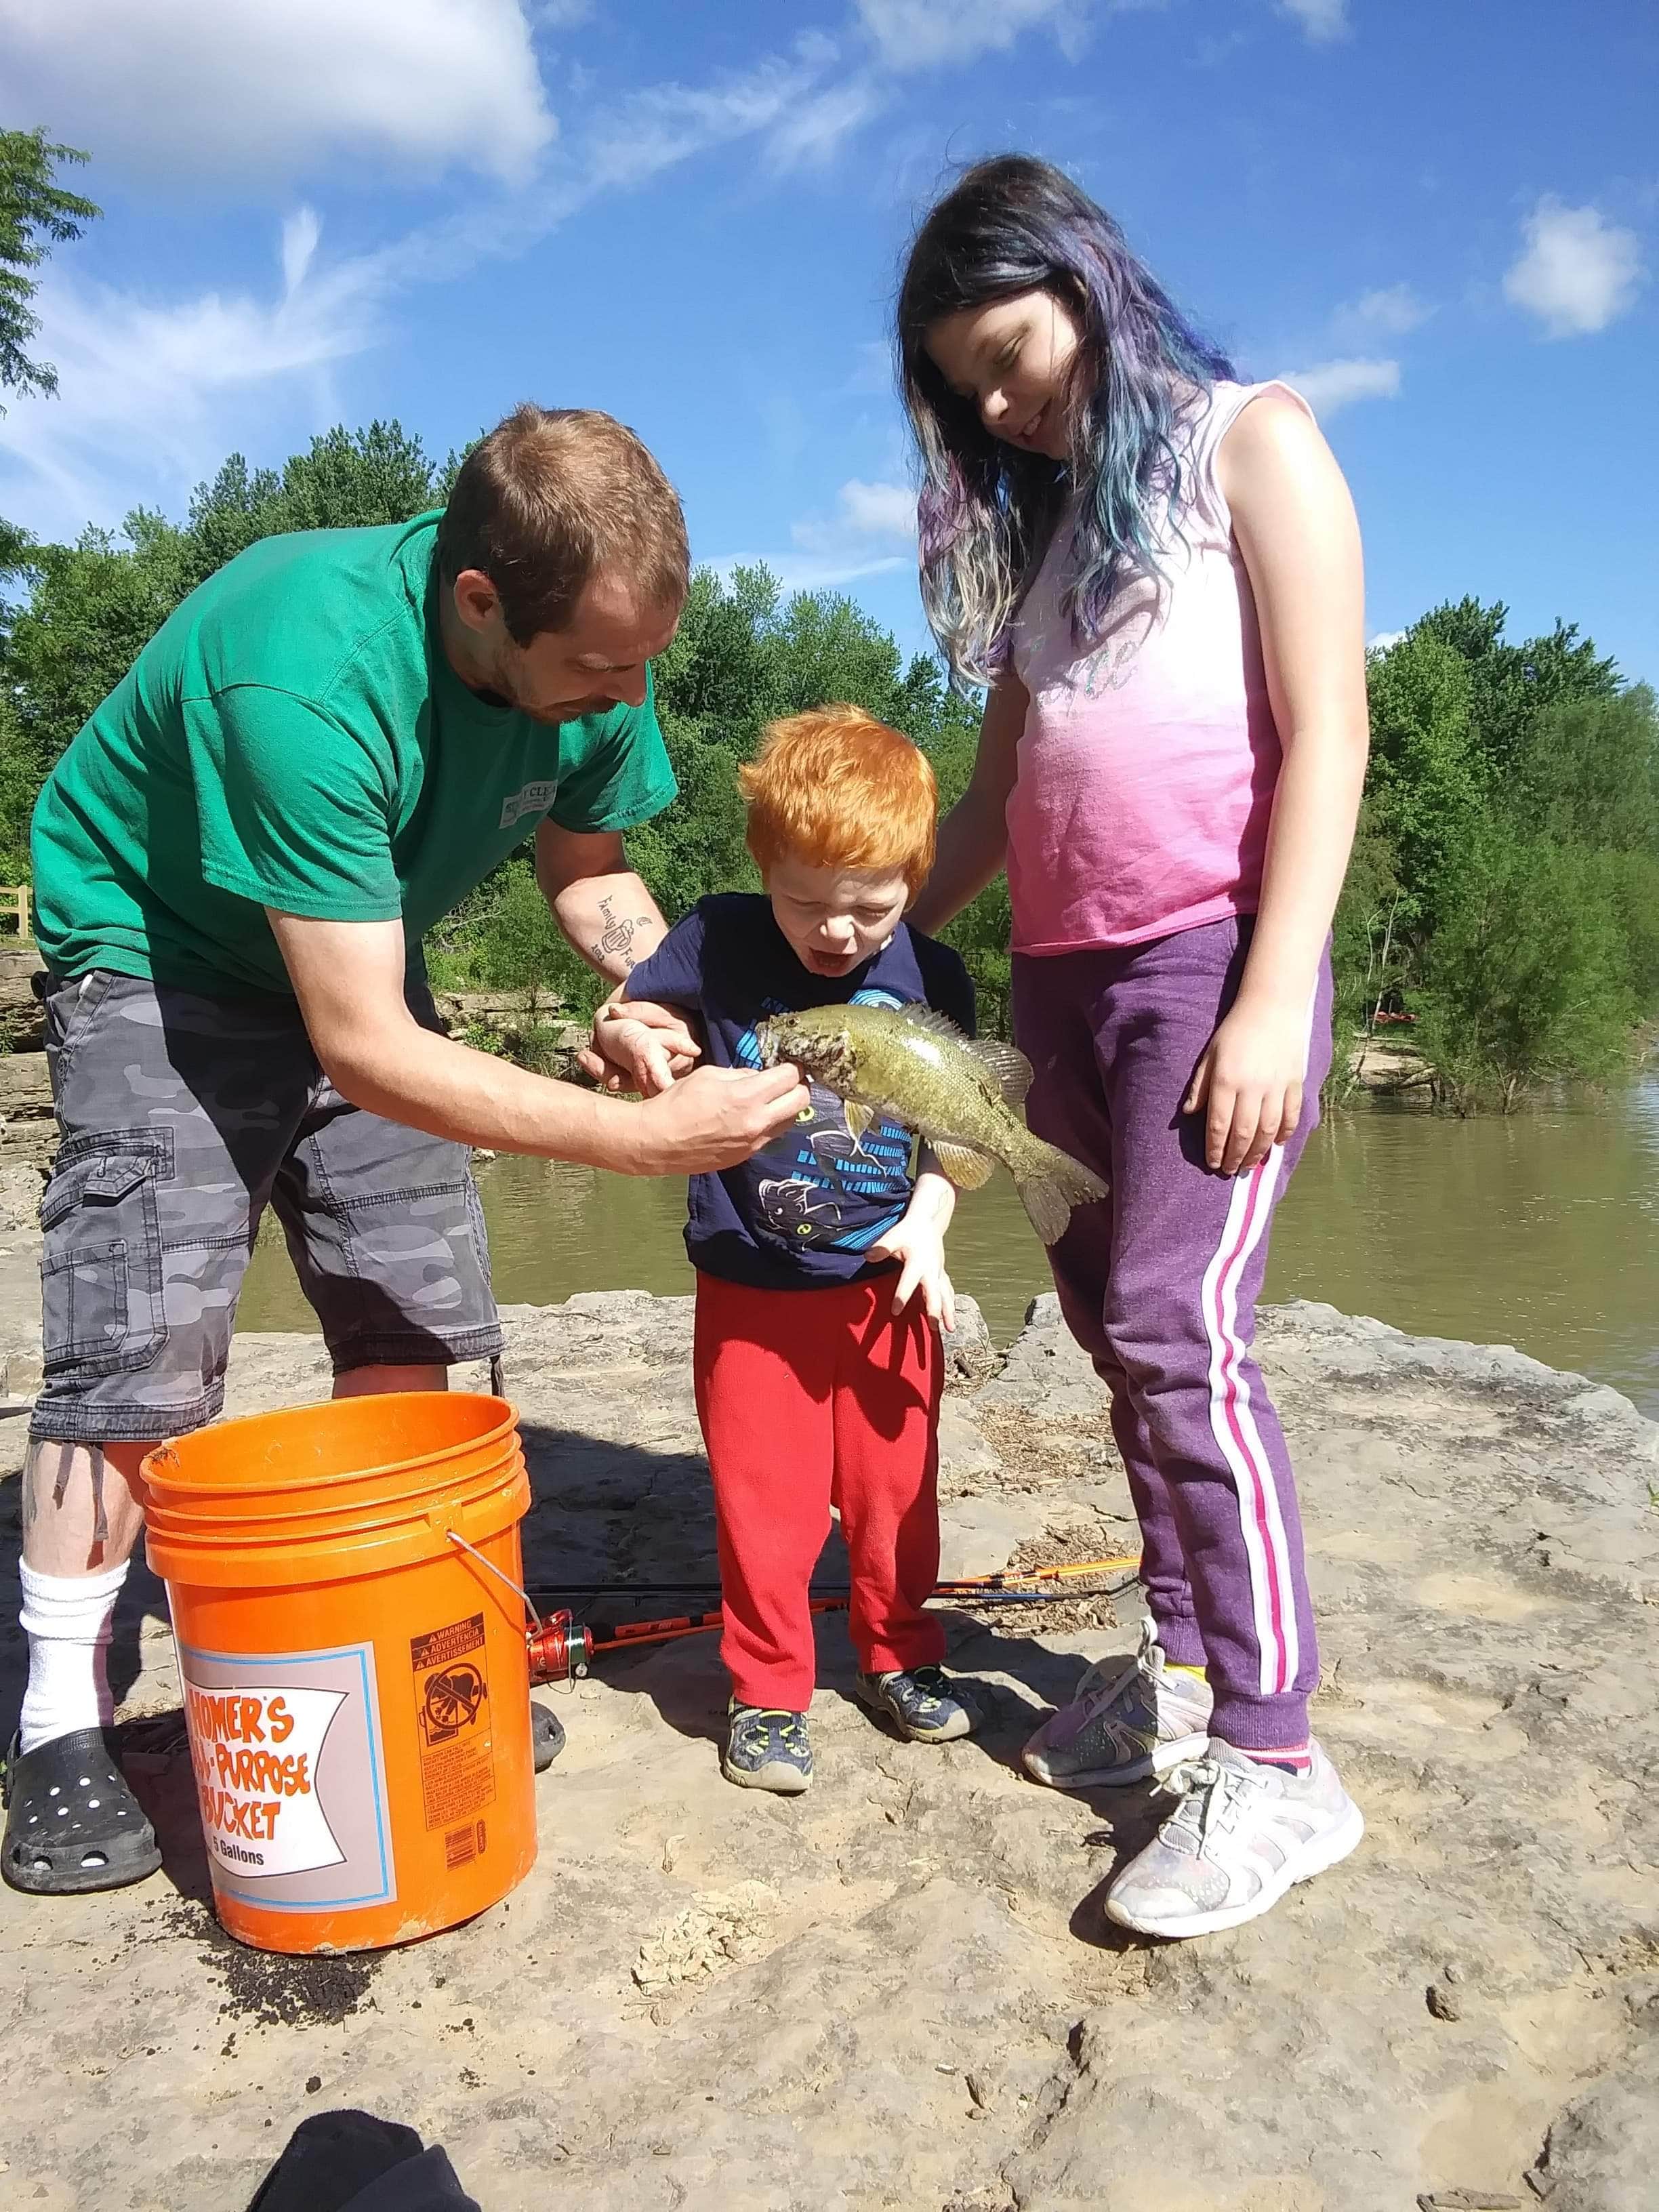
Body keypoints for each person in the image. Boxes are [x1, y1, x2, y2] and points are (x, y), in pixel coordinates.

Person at [2, 404, 807, 1898]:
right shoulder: (302, 663)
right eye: (596, 670)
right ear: (477, 600)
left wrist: (645, 995)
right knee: (143, 1352)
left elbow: (588, 865)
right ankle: (58, 1720)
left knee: (413, 1304)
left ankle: (401, 1630)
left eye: (642, 663)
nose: (627, 698)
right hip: (157, 953)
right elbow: (366, 1045)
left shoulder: (597, 655)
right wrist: (645, 1145)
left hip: (355, 951)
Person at [895, 157, 1370, 1939]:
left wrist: (1268, 991)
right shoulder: (1043, 539)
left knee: (1184, 1335)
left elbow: (1330, 730)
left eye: (1013, 354)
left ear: (1090, 286)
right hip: (1062, 985)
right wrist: (858, 937)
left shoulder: (1254, 439)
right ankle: (1175, 1672)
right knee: (1114, 1336)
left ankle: (1279, 1762)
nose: (1002, 402)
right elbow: (1003, 802)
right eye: (966, 388)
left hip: (1206, 969)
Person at [597, 706, 981, 1795]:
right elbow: (630, 1019)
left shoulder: (936, 976)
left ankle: (901, 1655)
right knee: (763, 1503)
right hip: (751, 1291)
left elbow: (957, 1130)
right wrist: (630, 1035)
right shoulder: (714, 940)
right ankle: (768, 1689)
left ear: (913, 877)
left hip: (889, 1288)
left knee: (898, 1495)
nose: (838, 931)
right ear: (764, 862)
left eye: (871, 907)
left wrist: (933, 1220)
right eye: (807, 900)